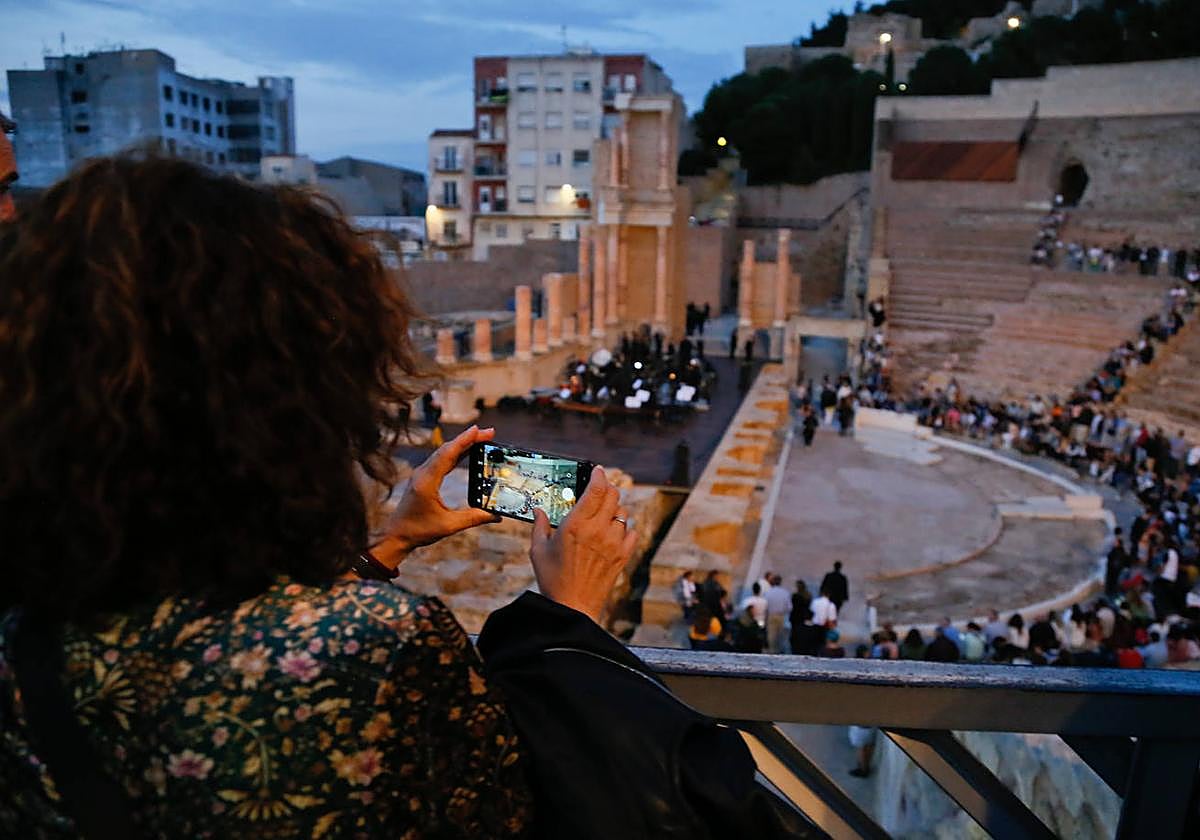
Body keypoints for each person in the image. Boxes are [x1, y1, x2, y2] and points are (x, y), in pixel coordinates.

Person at [0, 157, 809, 838]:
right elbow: (544, 809)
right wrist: (570, 620)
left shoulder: (19, 640)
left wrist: (385, 546)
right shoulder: (376, 650)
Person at [764, 573, 792, 654]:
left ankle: (772, 651)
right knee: (781, 636)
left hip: (771, 616)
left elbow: (765, 605)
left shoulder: (769, 592)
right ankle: (780, 651)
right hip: (781, 616)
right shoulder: (785, 593)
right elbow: (789, 607)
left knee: (771, 636)